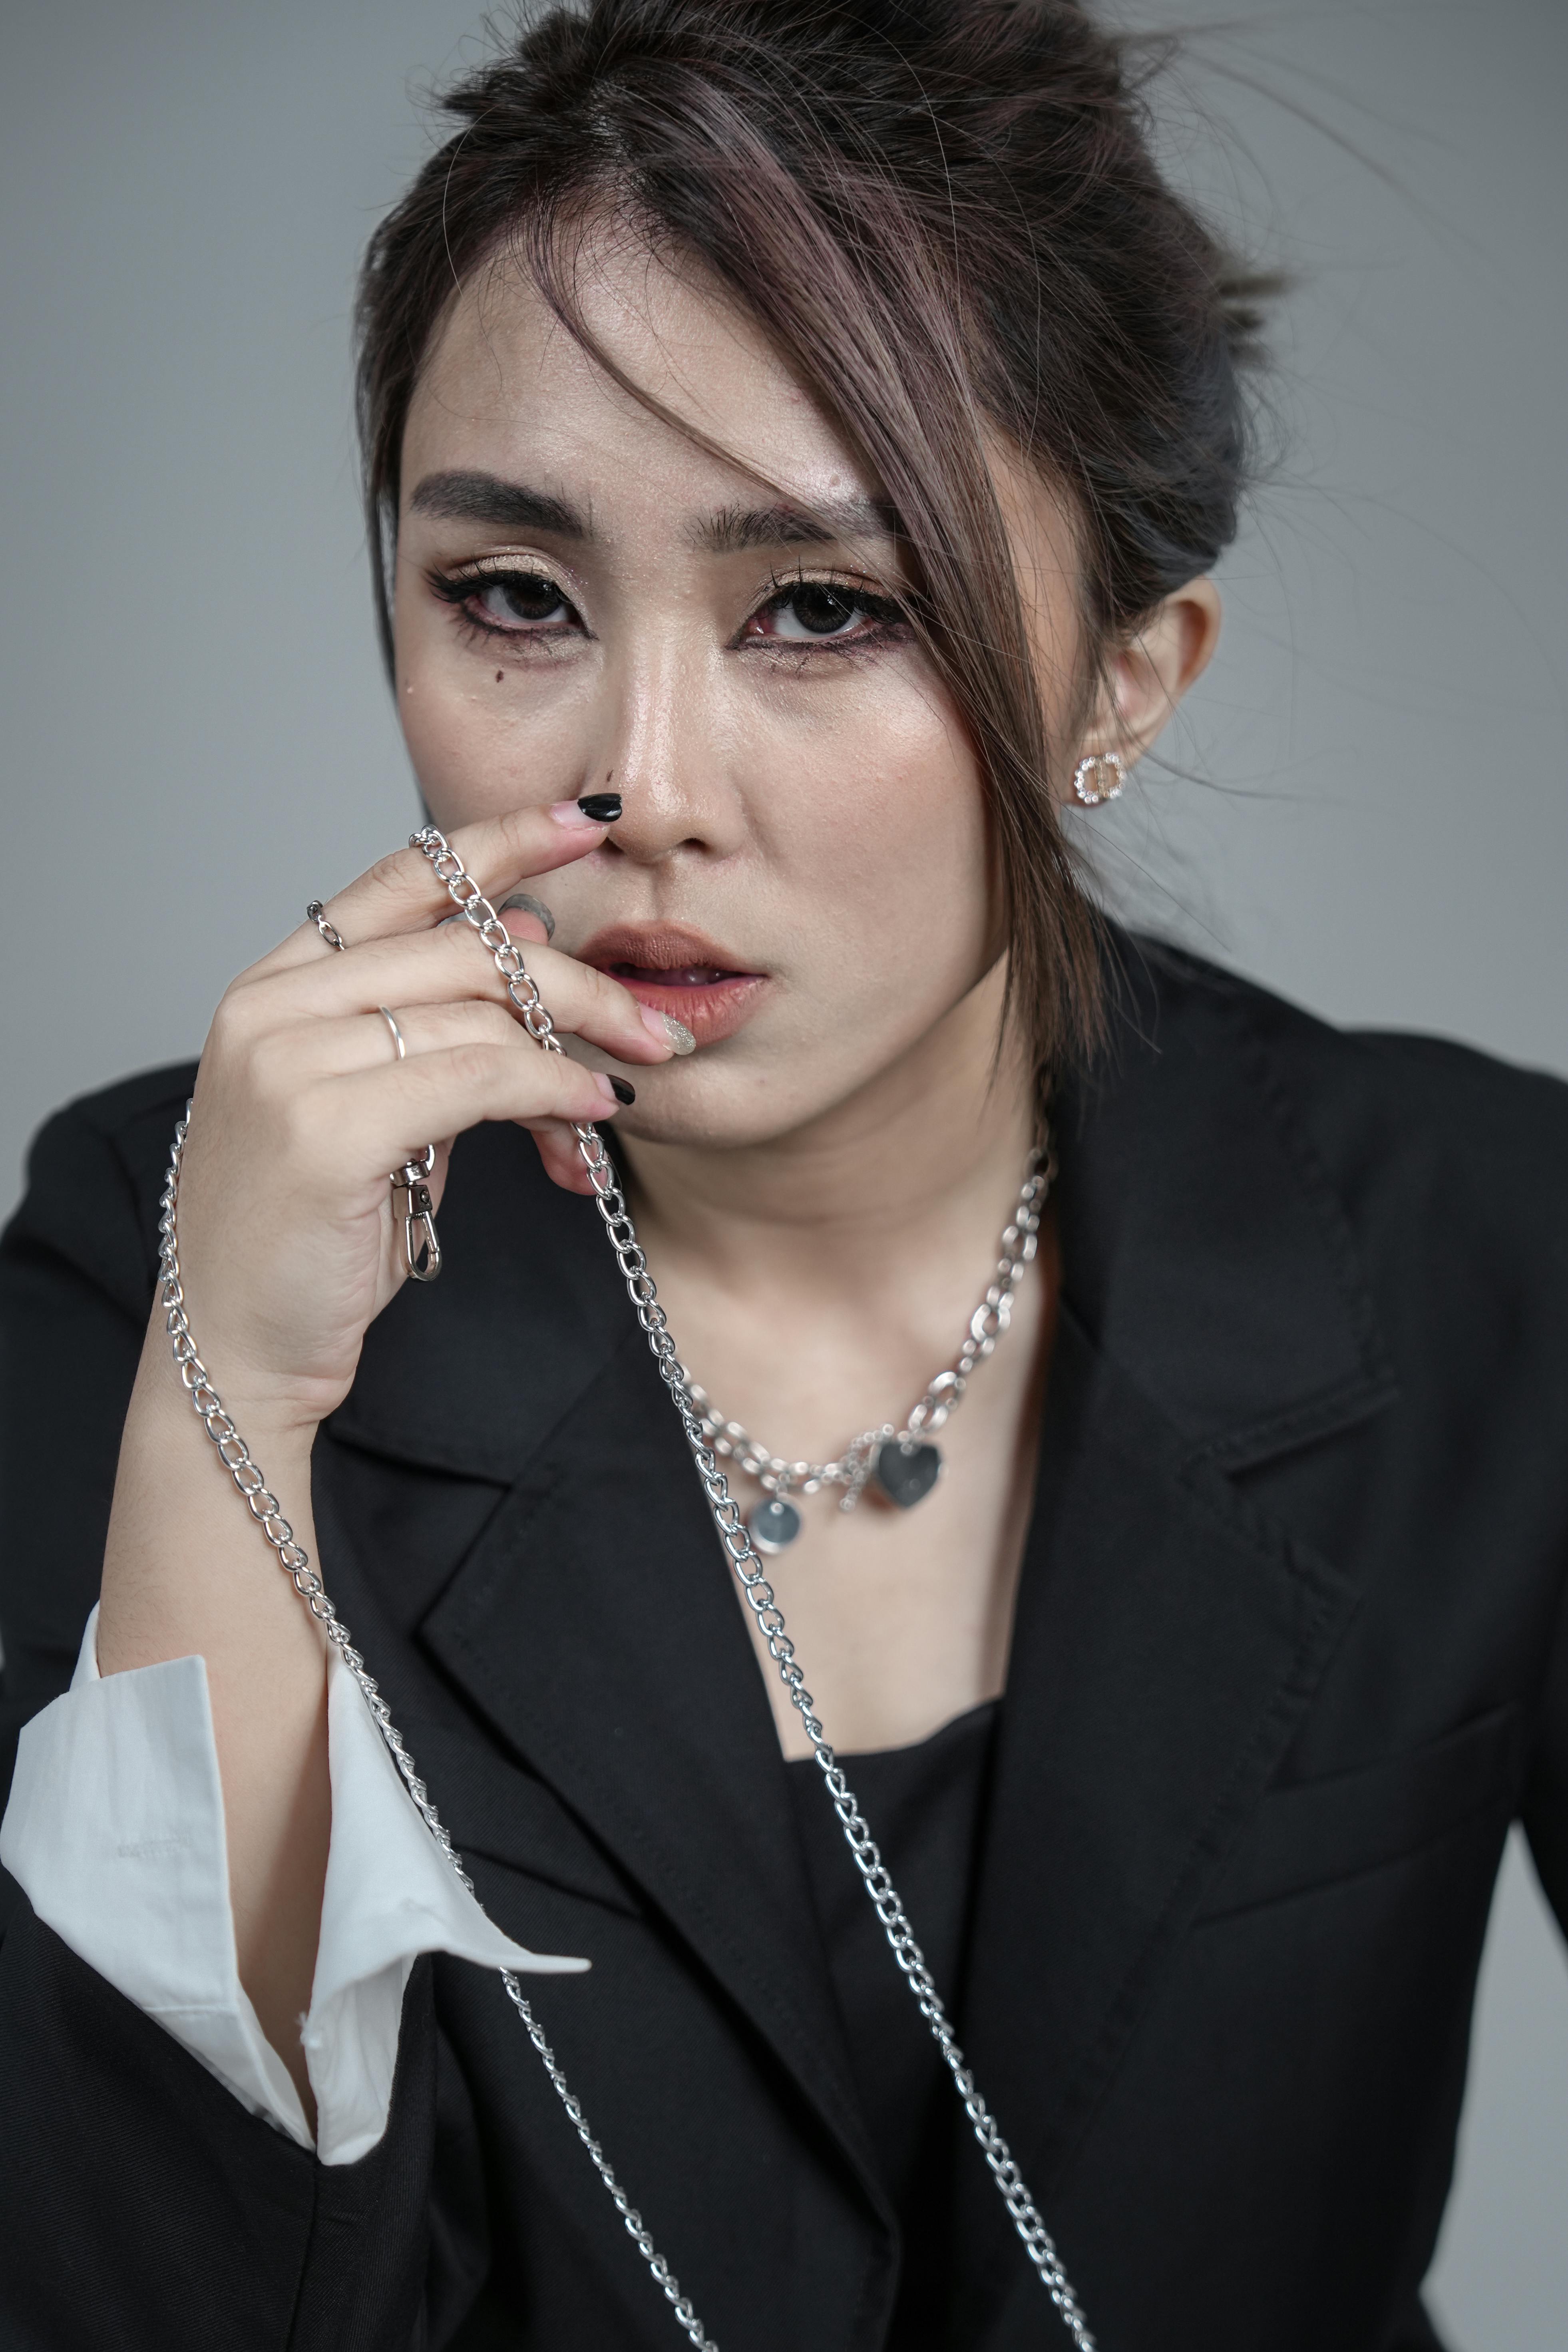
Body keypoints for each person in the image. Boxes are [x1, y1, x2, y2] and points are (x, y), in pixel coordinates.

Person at [1, 3, 1564, 2346]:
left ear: (1124, 682)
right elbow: (139, 2299)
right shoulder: (159, 1257)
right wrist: (227, 1394)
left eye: (820, 609)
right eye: (511, 595)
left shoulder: (1476, 1241)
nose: (639, 784)